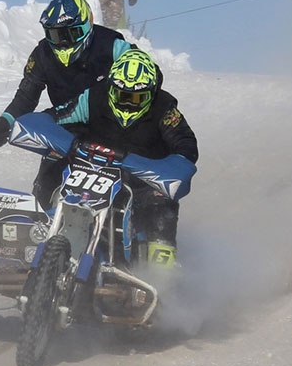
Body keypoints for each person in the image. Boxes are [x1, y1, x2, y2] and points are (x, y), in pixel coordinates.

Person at [0, 0, 134, 207]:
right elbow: (27, 95)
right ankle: (40, 227)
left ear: (86, 25)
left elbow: (144, 77)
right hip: (66, 131)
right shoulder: (42, 54)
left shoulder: (113, 46)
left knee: (125, 191)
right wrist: (5, 121)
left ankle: (142, 228)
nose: (62, 43)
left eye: (68, 34)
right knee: (45, 185)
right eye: (55, 35)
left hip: (114, 130)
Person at [49, 48, 197, 267]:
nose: (128, 103)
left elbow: (186, 143)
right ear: (111, 88)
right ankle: (42, 222)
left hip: (141, 181)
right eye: (122, 96)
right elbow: (58, 116)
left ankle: (164, 279)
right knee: (52, 160)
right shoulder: (93, 97)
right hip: (89, 170)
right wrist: (52, 134)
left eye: (137, 98)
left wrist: (173, 165)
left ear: (151, 93)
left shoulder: (164, 108)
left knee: (162, 206)